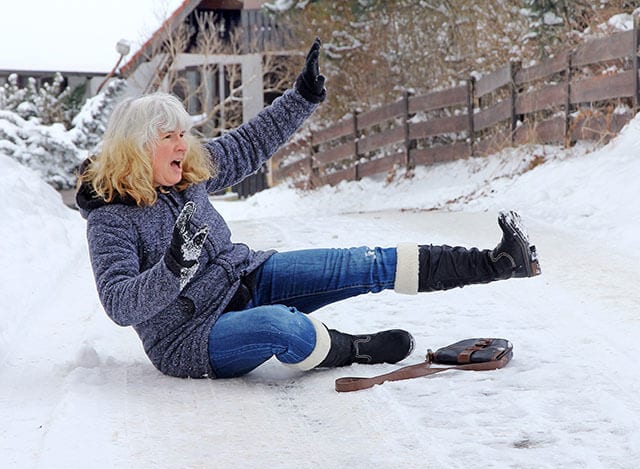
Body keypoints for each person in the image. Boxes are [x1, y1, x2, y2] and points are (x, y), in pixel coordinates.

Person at [76, 38, 541, 380]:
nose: (184, 144)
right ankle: (354, 349)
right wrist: (174, 268)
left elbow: (251, 142)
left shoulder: (188, 171)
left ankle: (497, 263)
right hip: (192, 336)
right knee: (280, 326)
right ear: (138, 149)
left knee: (361, 262)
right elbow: (119, 304)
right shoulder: (110, 216)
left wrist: (301, 98)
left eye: (183, 133)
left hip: (249, 277)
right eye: (170, 137)